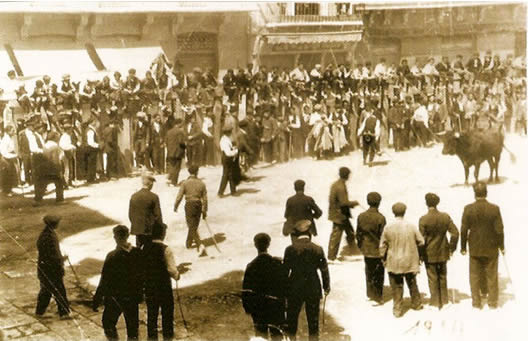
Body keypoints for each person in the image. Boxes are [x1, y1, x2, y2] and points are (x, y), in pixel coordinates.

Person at [92, 225, 143, 341]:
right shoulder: (138, 253)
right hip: (132, 296)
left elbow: (104, 279)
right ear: (128, 236)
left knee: (108, 323)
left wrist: (97, 298)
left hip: (116, 297)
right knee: (133, 327)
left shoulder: (112, 256)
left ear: (115, 237)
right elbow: (143, 275)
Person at [283, 220, 330, 341]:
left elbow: (284, 272)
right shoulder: (317, 249)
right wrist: (326, 286)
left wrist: (283, 289)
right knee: (313, 321)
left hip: (294, 287)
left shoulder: (290, 249)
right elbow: (324, 270)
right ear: (309, 233)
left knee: (292, 319)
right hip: (312, 287)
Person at [461, 182, 505, 309]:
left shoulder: (468, 208)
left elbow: (463, 230)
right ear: (486, 193)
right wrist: (502, 246)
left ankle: (476, 303)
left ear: (475, 194)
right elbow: (500, 230)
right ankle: (492, 303)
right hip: (491, 247)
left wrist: (463, 247)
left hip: (474, 247)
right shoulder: (494, 208)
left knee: (474, 275)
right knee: (492, 274)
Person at [380, 202, 424, 317]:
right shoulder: (411, 226)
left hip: (394, 261)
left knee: (396, 286)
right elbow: (421, 241)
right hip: (409, 260)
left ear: (393, 212)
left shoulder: (388, 227)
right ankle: (417, 304)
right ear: (404, 212)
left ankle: (398, 310)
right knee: (412, 282)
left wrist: (383, 258)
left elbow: (382, 245)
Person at [242, 233, 287, 341]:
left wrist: (248, 308)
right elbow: (285, 285)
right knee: (277, 336)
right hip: (275, 306)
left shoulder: (251, 266)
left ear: (255, 245)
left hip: (258, 307)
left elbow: (246, 290)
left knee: (261, 336)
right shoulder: (277, 263)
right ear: (269, 244)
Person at [419, 193, 459, 310]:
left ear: (426, 203)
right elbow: (455, 233)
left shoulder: (423, 219)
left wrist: (420, 255)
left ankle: (435, 303)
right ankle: (445, 301)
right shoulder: (445, 217)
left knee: (432, 278)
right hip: (443, 252)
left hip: (429, 253)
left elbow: (421, 240)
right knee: (442, 276)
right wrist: (452, 248)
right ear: (437, 203)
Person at [143, 222, 180, 341]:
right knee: (167, 313)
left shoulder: (144, 247)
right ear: (163, 234)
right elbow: (171, 269)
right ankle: (167, 337)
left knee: (152, 314)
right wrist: (177, 275)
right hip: (163, 286)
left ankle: (152, 337)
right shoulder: (166, 249)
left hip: (150, 285)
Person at [35, 215, 71, 318]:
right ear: (54, 224)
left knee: (46, 291)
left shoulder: (45, 234)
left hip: (45, 269)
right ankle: (64, 313)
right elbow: (53, 255)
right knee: (59, 290)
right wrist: (62, 259)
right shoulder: (50, 236)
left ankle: (39, 312)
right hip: (52, 269)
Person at [356, 192, 386, 305]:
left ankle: (369, 294)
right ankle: (378, 297)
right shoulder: (381, 218)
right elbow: (383, 236)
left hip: (366, 249)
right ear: (379, 203)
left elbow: (358, 233)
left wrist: (361, 245)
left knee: (368, 271)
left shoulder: (361, 216)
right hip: (377, 250)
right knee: (379, 273)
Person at [174, 165, 208, 257]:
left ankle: (199, 245)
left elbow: (179, 196)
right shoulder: (201, 183)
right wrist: (204, 211)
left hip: (189, 205)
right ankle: (188, 243)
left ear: (189, 172)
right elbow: (205, 199)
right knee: (194, 225)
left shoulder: (185, 183)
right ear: (197, 172)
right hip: (198, 205)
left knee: (191, 225)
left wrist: (175, 206)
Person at [327, 167, 359, 262]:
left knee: (350, 232)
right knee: (336, 235)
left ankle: (352, 251)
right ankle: (331, 257)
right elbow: (343, 202)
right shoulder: (340, 186)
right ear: (347, 175)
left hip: (340, 214)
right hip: (339, 215)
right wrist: (354, 203)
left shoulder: (337, 184)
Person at [128, 172, 163, 248]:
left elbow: (130, 214)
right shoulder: (154, 197)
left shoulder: (134, 196)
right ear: (150, 183)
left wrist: (136, 224)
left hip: (137, 229)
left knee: (139, 249)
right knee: (149, 250)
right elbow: (158, 215)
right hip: (149, 230)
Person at [35, 131, 65, 204]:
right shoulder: (55, 147)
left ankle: (38, 200)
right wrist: (59, 170)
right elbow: (56, 160)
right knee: (59, 183)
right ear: (54, 138)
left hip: (44, 168)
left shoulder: (45, 145)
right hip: (54, 169)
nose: (59, 138)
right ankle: (59, 200)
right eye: (58, 137)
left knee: (42, 184)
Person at [218, 126, 238, 197]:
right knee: (226, 175)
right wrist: (236, 151)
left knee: (230, 174)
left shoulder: (226, 139)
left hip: (228, 158)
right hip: (226, 158)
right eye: (230, 132)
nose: (231, 133)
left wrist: (233, 148)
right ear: (228, 132)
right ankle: (220, 192)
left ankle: (233, 191)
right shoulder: (224, 141)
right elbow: (228, 153)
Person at [165, 118, 186, 186]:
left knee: (172, 166)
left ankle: (169, 179)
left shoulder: (169, 131)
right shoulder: (180, 132)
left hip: (170, 152)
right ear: (179, 123)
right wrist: (185, 146)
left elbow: (166, 142)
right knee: (177, 168)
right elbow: (181, 142)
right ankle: (174, 182)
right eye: (181, 123)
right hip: (178, 152)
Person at [0, 125, 18, 196]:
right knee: (7, 174)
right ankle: (6, 190)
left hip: (10, 157)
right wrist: (14, 156)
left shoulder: (10, 138)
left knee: (11, 174)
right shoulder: (5, 140)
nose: (14, 132)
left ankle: (9, 189)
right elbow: (4, 152)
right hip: (6, 158)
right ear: (8, 131)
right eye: (12, 131)